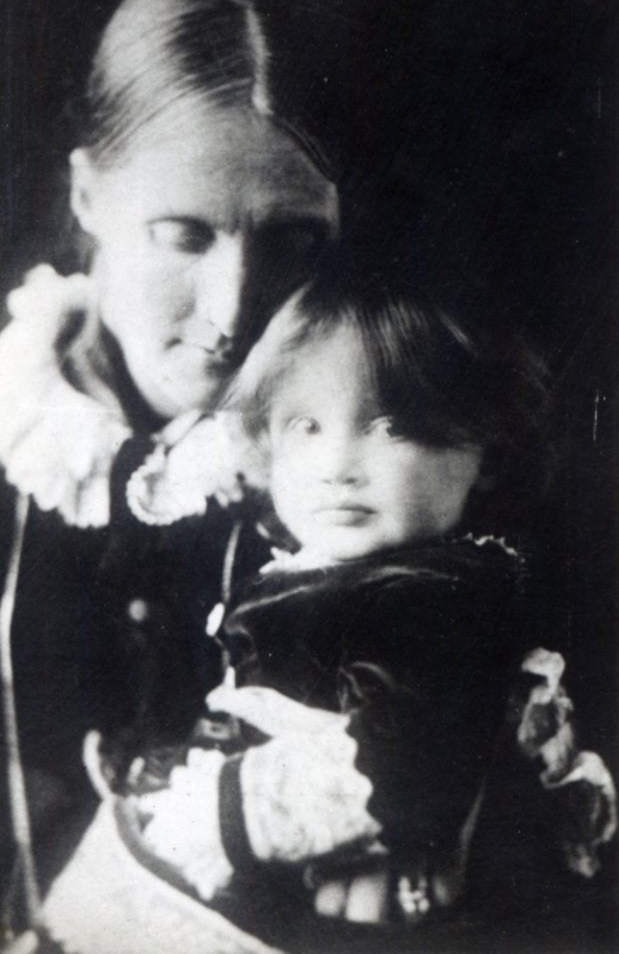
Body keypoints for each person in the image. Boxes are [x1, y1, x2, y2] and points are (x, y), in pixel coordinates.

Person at [38, 269, 616, 954]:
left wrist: (220, 811)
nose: (338, 463)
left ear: (483, 453)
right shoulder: (332, 571)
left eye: (392, 426)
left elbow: (403, 762)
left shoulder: (437, 595)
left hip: (331, 887)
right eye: (306, 425)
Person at [0, 0, 340, 954]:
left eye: (292, 242)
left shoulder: (364, 468)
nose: (232, 311)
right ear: (89, 192)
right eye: (184, 235)